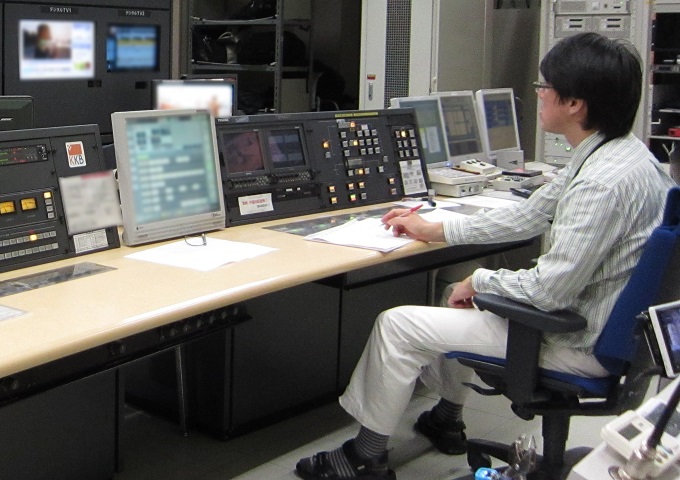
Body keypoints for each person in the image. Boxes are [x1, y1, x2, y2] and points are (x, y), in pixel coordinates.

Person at [295, 32, 675, 480]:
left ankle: (364, 457)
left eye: (545, 86)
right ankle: (446, 420)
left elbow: (549, 291)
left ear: (575, 104)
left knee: (397, 325)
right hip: (617, 333)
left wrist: (480, 282)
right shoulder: (625, 156)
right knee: (451, 297)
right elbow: (529, 215)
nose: (539, 94)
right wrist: (435, 229)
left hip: (577, 341)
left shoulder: (599, 184)